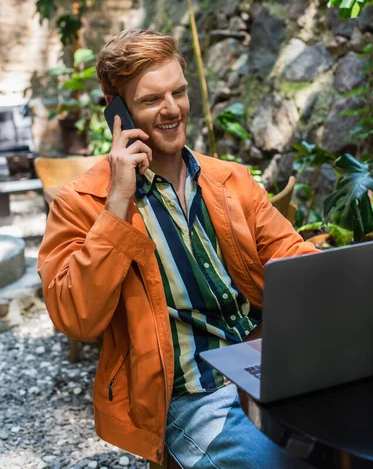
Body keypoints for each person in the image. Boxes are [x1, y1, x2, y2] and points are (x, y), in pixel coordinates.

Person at [38, 28, 316, 468]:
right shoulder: (83, 204)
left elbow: (296, 261)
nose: (172, 110)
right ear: (117, 111)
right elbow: (76, 318)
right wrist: (117, 206)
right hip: (191, 395)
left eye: (179, 93)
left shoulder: (231, 180)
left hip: (267, 365)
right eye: (151, 100)